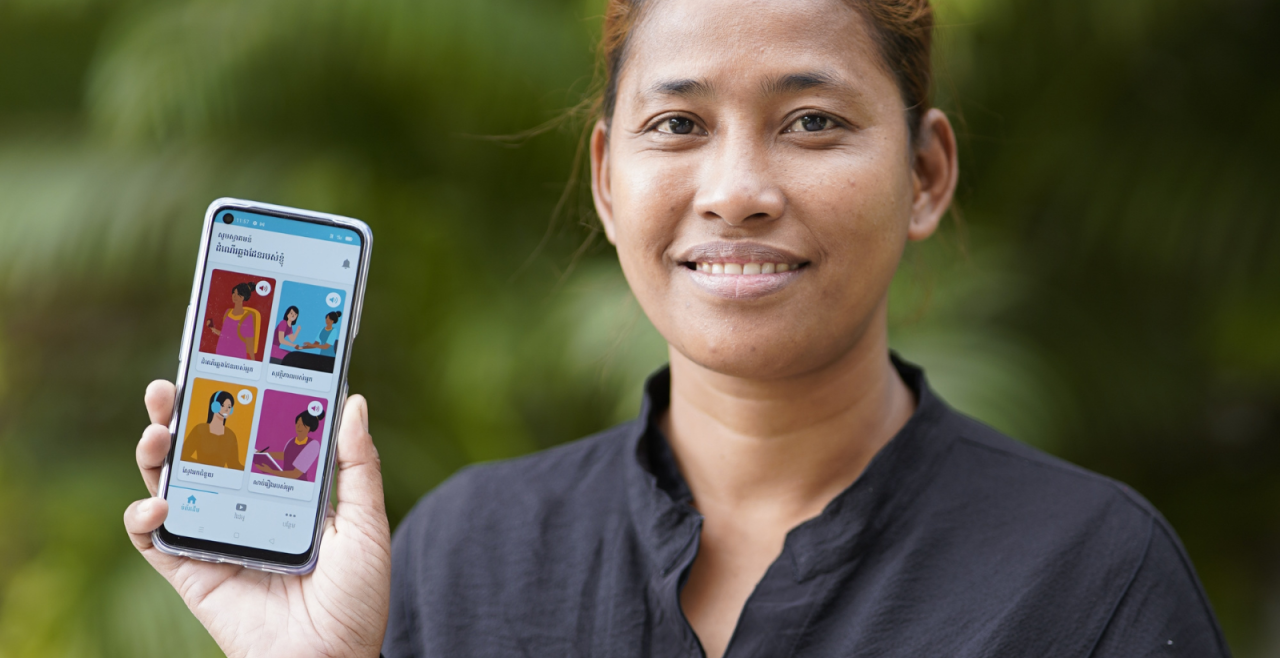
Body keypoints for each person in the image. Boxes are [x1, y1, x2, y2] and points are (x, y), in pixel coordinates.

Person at [124, 0, 1230, 656]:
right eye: (678, 123)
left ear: (925, 173)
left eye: (811, 121)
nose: (736, 187)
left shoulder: (1084, 576)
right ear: (608, 180)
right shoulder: (467, 556)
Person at [255, 408, 325, 480]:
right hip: (284, 483)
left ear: (308, 427)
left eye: (301, 424)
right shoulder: (292, 440)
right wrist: (265, 454)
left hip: (299, 486)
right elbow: (286, 455)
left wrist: (270, 471)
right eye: (297, 423)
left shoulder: (313, 445)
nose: (298, 426)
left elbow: (295, 474)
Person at [180, 390, 242, 470]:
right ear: (214, 406)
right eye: (222, 405)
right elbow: (183, 455)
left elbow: (234, 465)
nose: (226, 409)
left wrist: (256, 469)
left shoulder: (230, 435)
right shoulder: (200, 429)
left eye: (229, 407)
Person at [206, 282, 261, 361]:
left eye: (238, 294)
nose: (234, 296)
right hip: (220, 353)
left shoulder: (248, 317)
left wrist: (252, 361)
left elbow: (249, 341)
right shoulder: (227, 312)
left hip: (237, 356)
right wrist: (212, 328)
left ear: (242, 297)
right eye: (233, 293)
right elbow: (225, 334)